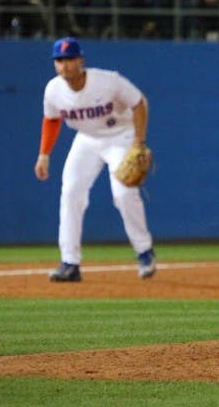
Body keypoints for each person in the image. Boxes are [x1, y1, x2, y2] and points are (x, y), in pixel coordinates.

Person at [34, 37, 157, 281]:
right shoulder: (53, 90)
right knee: (70, 193)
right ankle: (69, 263)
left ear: (80, 60)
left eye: (69, 59)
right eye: (59, 60)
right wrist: (44, 154)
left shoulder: (107, 81)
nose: (64, 65)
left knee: (123, 194)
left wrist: (139, 141)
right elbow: (51, 120)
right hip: (87, 139)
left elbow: (138, 103)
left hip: (121, 136)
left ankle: (144, 251)